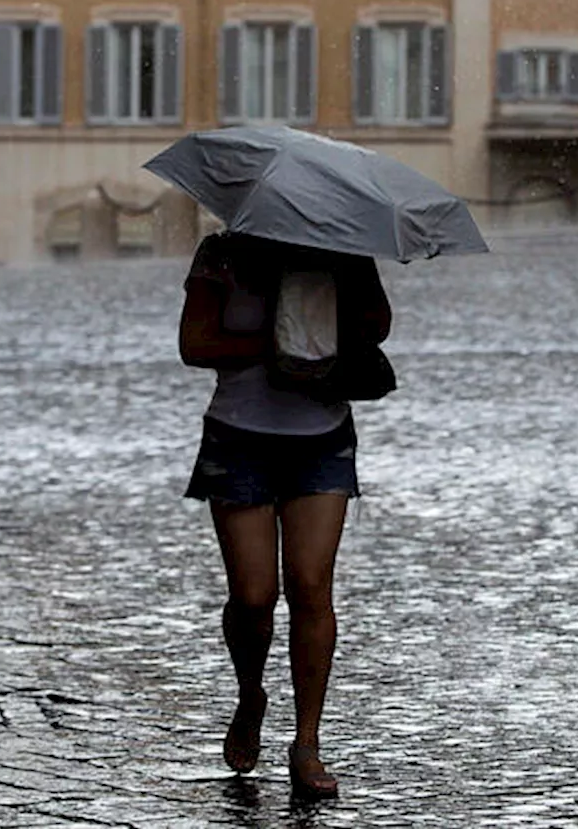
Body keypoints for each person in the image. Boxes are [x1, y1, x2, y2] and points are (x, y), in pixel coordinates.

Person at [178, 232, 392, 799]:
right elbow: (194, 344)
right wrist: (273, 337)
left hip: (322, 439)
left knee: (311, 586)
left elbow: (378, 324)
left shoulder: (343, 250)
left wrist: (330, 309)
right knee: (252, 597)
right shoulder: (220, 254)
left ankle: (307, 742)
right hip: (237, 439)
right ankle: (251, 694)